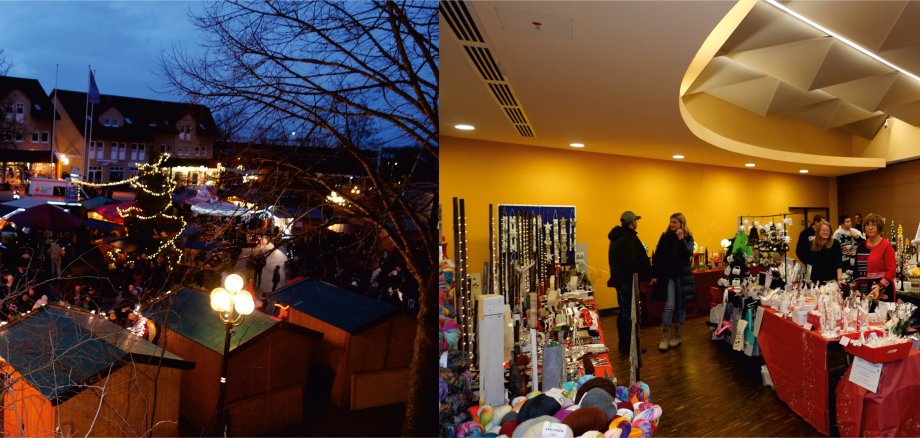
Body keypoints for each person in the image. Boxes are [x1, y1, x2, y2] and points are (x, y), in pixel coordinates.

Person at [608, 210, 652, 354]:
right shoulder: (629, 239)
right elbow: (635, 262)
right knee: (629, 313)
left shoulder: (615, 238)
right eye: (636, 221)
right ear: (632, 222)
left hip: (619, 281)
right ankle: (629, 346)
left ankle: (624, 343)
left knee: (623, 312)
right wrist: (648, 274)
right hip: (628, 281)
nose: (636, 223)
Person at [651, 213, 696, 351]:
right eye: (671, 222)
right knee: (669, 305)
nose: (672, 224)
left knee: (681, 306)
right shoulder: (665, 237)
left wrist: (681, 239)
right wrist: (654, 274)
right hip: (668, 276)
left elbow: (688, 253)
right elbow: (657, 256)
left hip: (682, 277)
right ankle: (664, 337)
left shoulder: (688, 237)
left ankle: (677, 336)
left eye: (675, 222)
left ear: (681, 224)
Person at [854, 213, 897, 305]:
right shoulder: (861, 247)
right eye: (867, 225)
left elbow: (892, 270)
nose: (870, 227)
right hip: (864, 291)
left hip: (883, 289)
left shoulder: (886, 245)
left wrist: (880, 286)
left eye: (874, 225)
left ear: (879, 228)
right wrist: (856, 289)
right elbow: (856, 271)